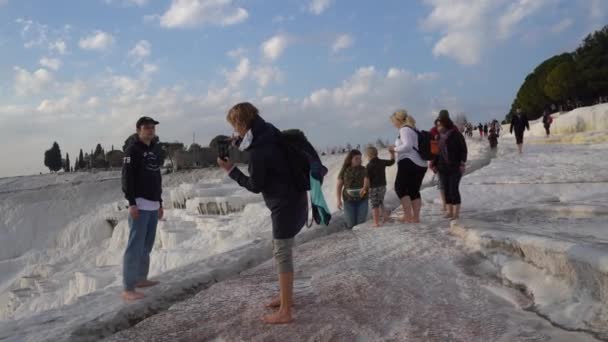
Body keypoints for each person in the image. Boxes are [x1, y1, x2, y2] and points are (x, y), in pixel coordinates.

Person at [217, 102, 307, 324]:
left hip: (283, 205)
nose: (235, 132)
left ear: (240, 123)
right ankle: (287, 297)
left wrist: (231, 171)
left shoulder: (259, 150)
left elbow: (255, 184)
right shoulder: (269, 131)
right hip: (296, 198)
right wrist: (241, 144)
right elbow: (263, 150)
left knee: (282, 253)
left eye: (235, 126)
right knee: (284, 252)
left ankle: (286, 310)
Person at [121, 116, 164, 301]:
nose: (151, 130)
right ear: (139, 130)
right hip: (139, 203)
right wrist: (131, 202)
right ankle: (128, 288)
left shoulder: (154, 149)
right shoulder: (133, 150)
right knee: (135, 246)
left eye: (153, 127)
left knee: (146, 245)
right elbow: (127, 178)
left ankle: (140, 279)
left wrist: (160, 203)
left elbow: (157, 177)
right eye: (147, 127)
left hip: (153, 204)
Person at [390, 109, 428, 223]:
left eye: (393, 122)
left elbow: (407, 146)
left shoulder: (404, 129)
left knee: (400, 188)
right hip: (421, 163)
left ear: (398, 120)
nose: (393, 124)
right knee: (414, 190)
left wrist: (394, 149)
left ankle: (407, 216)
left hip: (408, 162)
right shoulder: (414, 129)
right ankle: (415, 217)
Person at [431, 115, 467, 220]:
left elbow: (463, 150)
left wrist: (462, 163)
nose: (438, 128)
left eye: (440, 125)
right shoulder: (438, 137)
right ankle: (450, 212)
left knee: (453, 190)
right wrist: (434, 164)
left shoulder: (456, 135)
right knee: (446, 190)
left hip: (455, 167)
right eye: (437, 126)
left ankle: (456, 214)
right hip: (442, 168)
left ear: (446, 124)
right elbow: (436, 153)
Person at [337, 150, 370, 229]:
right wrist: (338, 200)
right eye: (356, 158)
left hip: (362, 199)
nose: (359, 160)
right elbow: (339, 185)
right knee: (350, 224)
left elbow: (367, 181)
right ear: (350, 159)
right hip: (348, 200)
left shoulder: (364, 169)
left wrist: (365, 187)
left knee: (361, 225)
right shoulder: (344, 170)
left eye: (360, 158)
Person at [365, 146, 395, 227]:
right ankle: (385, 217)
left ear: (369, 156)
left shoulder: (369, 165)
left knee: (374, 205)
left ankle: (376, 222)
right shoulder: (382, 162)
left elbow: (367, 178)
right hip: (383, 186)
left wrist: (365, 188)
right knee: (381, 201)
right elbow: (392, 162)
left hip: (373, 187)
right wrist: (392, 153)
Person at [430, 116, 446, 212]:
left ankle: (450, 205)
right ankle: (445, 204)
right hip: (440, 164)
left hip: (450, 164)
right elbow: (434, 153)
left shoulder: (451, 134)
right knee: (442, 184)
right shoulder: (434, 137)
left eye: (441, 125)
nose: (440, 127)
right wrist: (432, 164)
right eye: (438, 125)